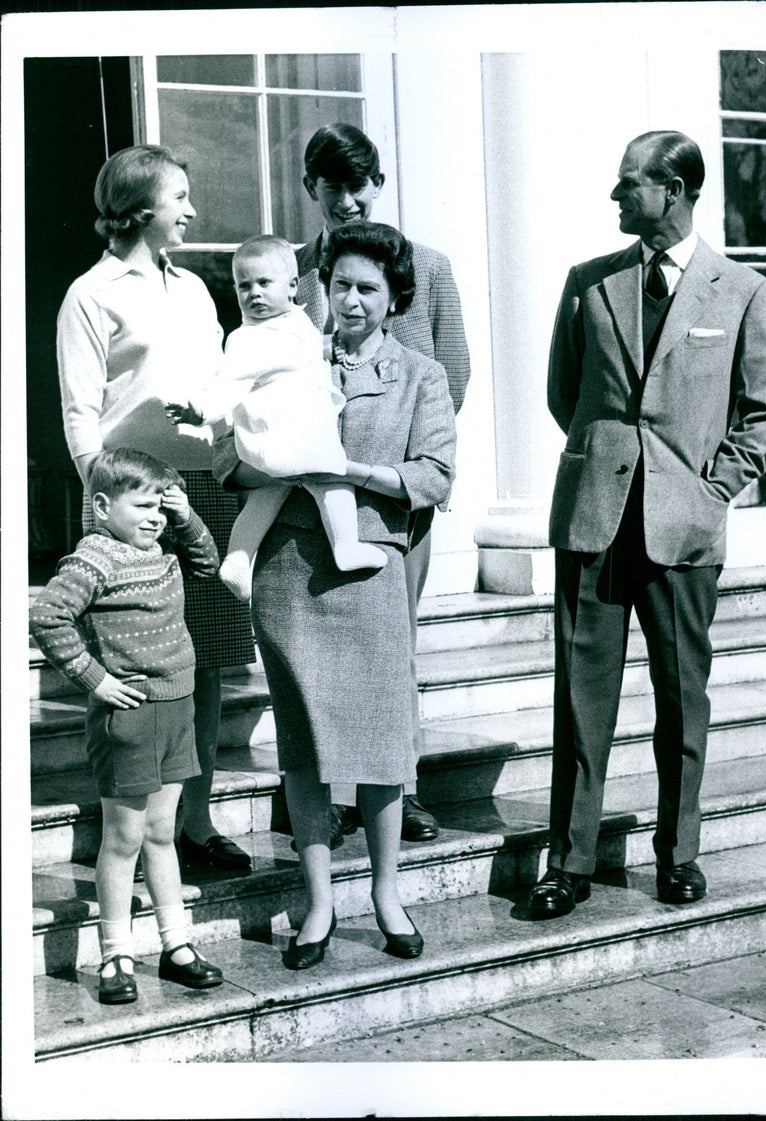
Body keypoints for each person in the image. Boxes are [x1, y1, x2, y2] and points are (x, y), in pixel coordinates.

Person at [528, 131, 766, 919]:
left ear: (673, 188)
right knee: (579, 700)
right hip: (593, 522)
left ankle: (679, 855)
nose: (616, 197)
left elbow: (761, 418)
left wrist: (708, 493)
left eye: (628, 184)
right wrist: (607, 461)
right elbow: (565, 393)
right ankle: (569, 860)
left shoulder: (741, 291)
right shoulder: (588, 283)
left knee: (682, 697)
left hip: (682, 530)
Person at [213, 221, 457, 968]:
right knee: (305, 746)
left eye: (367, 289)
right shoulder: (285, 348)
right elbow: (228, 457)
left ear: (394, 298)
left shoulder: (421, 374)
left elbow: (435, 475)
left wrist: (351, 471)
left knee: (384, 744)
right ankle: (317, 904)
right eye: (340, 284)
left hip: (371, 565)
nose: (349, 301)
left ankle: (387, 894)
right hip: (289, 569)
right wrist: (276, 463)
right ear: (319, 286)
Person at [57, 144, 256, 873]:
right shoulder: (91, 293)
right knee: (133, 666)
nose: (193, 212)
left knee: (197, 665)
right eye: (181, 198)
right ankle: (129, 829)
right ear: (142, 208)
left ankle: (192, 823)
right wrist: (110, 504)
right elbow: (80, 414)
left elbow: (219, 385)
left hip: (204, 489)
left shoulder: (198, 291)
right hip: (128, 502)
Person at [296, 122, 471, 845]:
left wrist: (398, 452)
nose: (349, 200)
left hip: (395, 497)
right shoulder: (294, 268)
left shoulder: (423, 266)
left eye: (360, 184)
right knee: (316, 651)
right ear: (314, 189)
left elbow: (453, 371)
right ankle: (329, 795)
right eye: (334, 186)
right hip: (307, 498)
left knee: (391, 643)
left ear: (379, 184)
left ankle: (403, 788)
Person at [29, 449, 225, 1004]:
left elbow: (208, 562)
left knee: (163, 833)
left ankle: (177, 945)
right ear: (101, 506)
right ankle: (116, 954)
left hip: (178, 707)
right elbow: (46, 616)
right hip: (130, 717)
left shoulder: (163, 549)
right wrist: (94, 680)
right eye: (142, 506)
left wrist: (185, 515)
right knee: (124, 839)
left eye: (161, 508)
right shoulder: (94, 559)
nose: (154, 518)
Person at [165, 234, 386, 602]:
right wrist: (201, 411)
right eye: (243, 285)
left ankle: (238, 557)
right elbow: (228, 384)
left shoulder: (297, 324)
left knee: (269, 492)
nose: (253, 293)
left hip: (286, 443)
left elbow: (309, 353)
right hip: (293, 438)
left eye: (264, 283)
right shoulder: (247, 338)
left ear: (293, 286)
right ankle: (346, 545)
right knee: (335, 482)